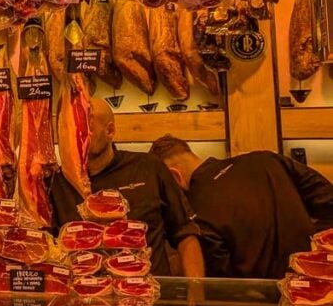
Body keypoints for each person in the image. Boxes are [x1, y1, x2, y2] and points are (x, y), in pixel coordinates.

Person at [51, 98, 205, 278]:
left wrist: (195, 293)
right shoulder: (56, 182)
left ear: (110, 131)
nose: (77, 135)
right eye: (70, 128)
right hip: (85, 292)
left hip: (148, 291)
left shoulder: (148, 167)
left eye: (86, 127)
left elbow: (185, 234)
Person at [148, 135, 333, 279]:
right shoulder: (267, 159)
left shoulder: (194, 212)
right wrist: (312, 250)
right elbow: (328, 200)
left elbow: (223, 282)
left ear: (175, 176)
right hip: (318, 286)